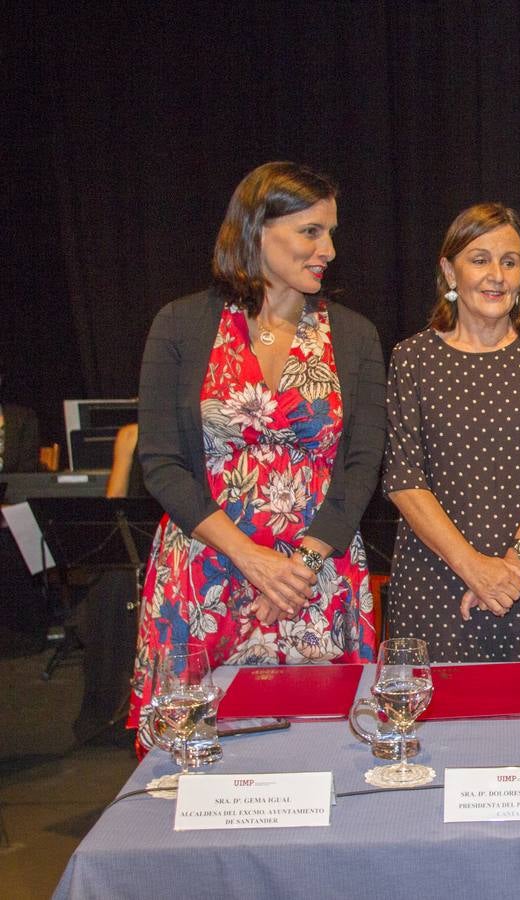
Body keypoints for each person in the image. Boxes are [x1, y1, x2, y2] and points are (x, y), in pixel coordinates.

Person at [129, 162, 386, 742]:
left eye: (331, 232)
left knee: (318, 755)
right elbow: (162, 462)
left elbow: (361, 466)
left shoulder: (353, 333)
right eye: (312, 231)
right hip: (206, 569)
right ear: (256, 230)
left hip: (313, 579)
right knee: (192, 762)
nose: (329, 249)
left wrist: (300, 568)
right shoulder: (181, 323)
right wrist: (252, 559)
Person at [383, 203, 520, 662]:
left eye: (509, 262)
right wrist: (474, 569)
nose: (496, 275)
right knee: (433, 727)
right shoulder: (411, 359)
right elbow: (404, 480)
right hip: (436, 582)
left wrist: (512, 567)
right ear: (449, 272)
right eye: (480, 259)